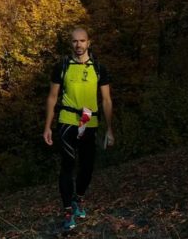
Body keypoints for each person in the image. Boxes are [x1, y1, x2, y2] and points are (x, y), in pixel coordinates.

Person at [43, 27, 114, 231]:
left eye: (82, 41)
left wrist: (110, 129)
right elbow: (52, 97)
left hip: (90, 122)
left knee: (88, 166)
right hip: (67, 120)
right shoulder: (62, 66)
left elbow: (107, 100)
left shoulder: (99, 68)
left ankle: (78, 198)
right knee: (68, 164)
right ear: (70, 44)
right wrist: (47, 126)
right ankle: (67, 212)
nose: (79, 45)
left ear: (88, 43)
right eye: (75, 41)